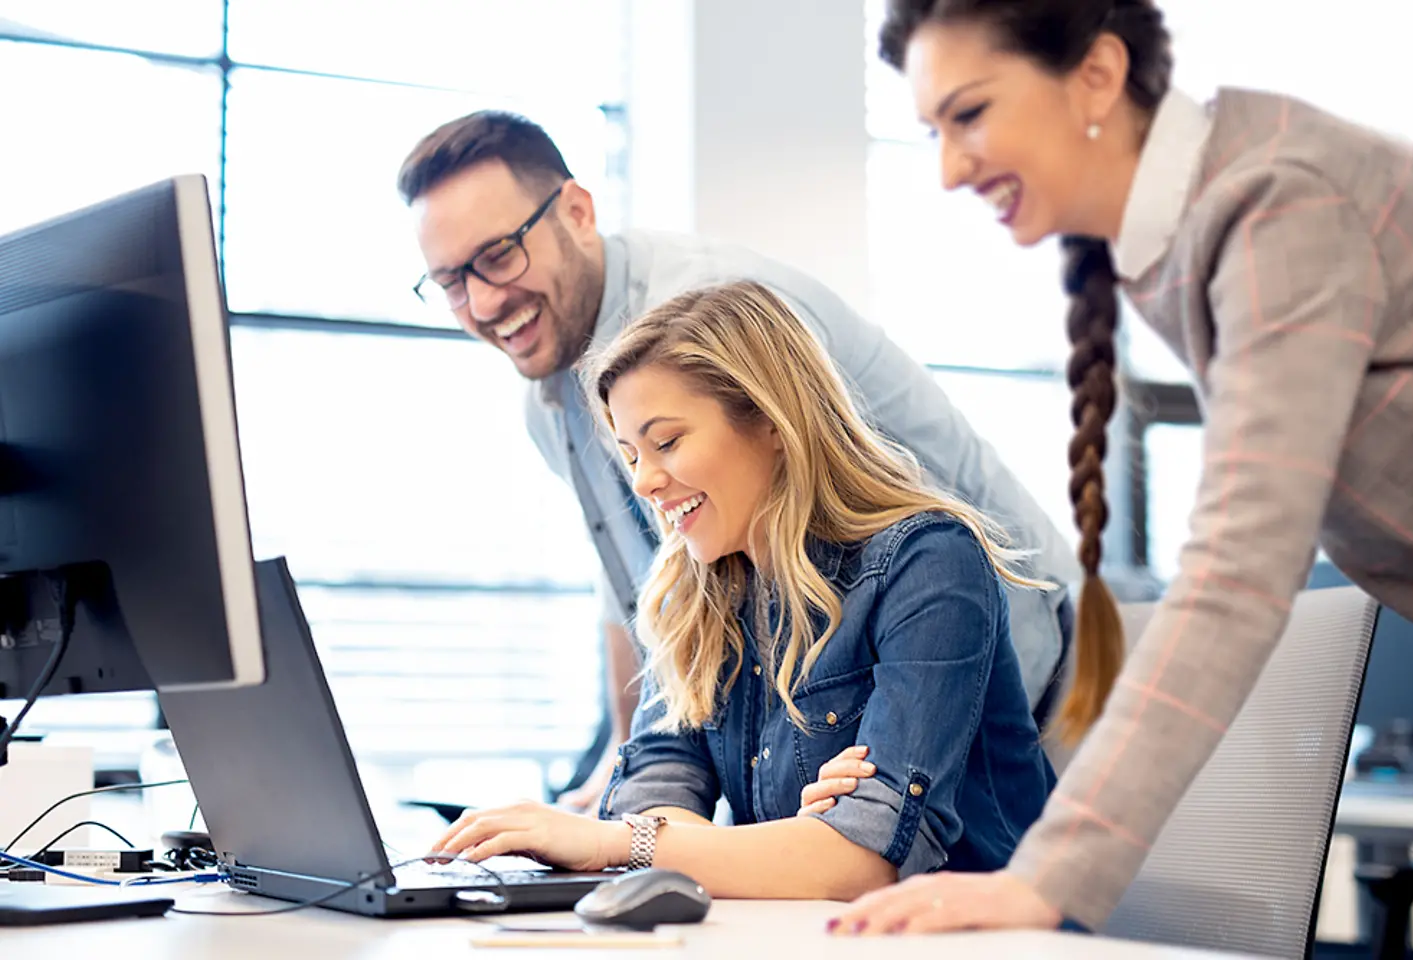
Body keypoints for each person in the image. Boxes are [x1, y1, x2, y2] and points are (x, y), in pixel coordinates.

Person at [825, 0, 1413, 947]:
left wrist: (1046, 878)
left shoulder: (1277, 201)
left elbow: (1237, 571)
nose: (949, 169)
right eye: (933, 132)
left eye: (971, 113)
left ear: (1098, 75)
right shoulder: (1199, 220)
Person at [397, 111, 1079, 811]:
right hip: (813, 721)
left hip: (985, 653)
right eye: (451, 281)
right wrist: (622, 773)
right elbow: (641, 583)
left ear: (575, 211)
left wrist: (637, 831)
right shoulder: (552, 400)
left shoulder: (699, 320)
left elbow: (862, 839)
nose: (482, 300)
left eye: (499, 254)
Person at [427, 280, 1055, 899]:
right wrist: (800, 845)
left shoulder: (928, 563)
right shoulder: (692, 597)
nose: (644, 482)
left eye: (666, 442)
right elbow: (657, 795)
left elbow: (865, 863)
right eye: (630, 454)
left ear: (773, 422)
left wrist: (629, 842)